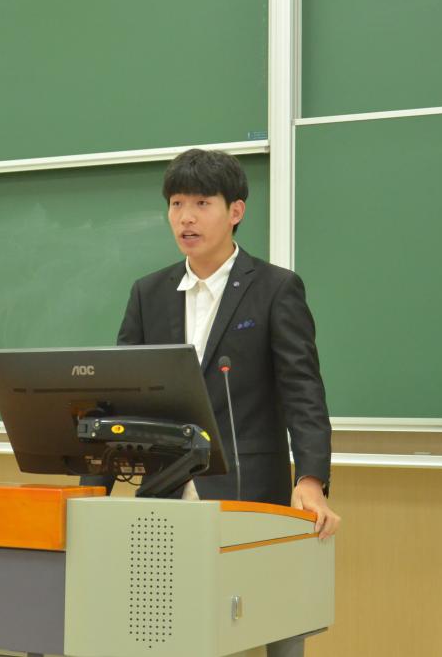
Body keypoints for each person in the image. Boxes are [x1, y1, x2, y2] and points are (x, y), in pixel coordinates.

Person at [84, 148, 340, 655]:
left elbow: (303, 390)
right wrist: (93, 488)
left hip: (249, 494)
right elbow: (120, 395)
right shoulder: (149, 293)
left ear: (235, 211)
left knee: (264, 628)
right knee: (164, 637)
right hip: (164, 496)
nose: (186, 217)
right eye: (177, 203)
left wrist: (310, 480)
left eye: (201, 203)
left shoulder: (275, 289)